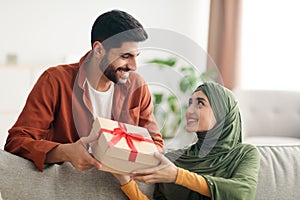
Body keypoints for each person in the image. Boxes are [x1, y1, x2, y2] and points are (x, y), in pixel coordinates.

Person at [4, 9, 164, 172]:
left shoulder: (137, 86)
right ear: (99, 50)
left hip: (118, 186)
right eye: (125, 56)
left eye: (136, 56)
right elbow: (16, 142)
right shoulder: (55, 80)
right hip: (67, 185)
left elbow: (156, 145)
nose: (134, 66)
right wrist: (65, 152)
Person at [113, 81, 260, 200]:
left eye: (200, 103)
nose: (189, 111)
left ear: (221, 112)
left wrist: (178, 176)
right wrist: (125, 181)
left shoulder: (244, 153)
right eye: (190, 103)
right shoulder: (173, 160)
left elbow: (242, 193)